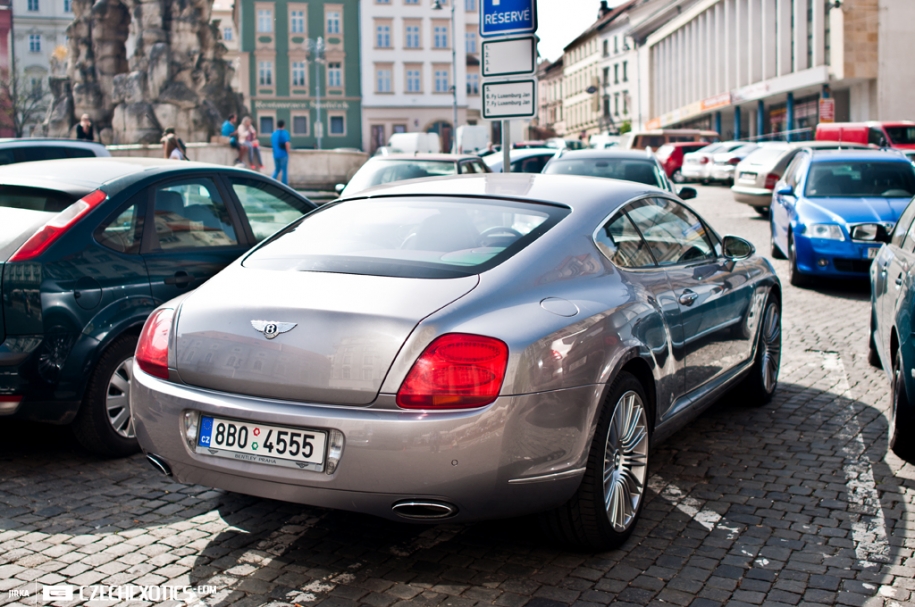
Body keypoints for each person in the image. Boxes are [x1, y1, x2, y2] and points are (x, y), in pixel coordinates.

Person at [271, 119, 291, 185]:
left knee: (277, 170)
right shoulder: (285, 133)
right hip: (283, 154)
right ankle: (285, 186)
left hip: (275, 155)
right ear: (284, 125)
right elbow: (287, 143)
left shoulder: (274, 133)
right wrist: (288, 152)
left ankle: (270, 182)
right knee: (284, 171)